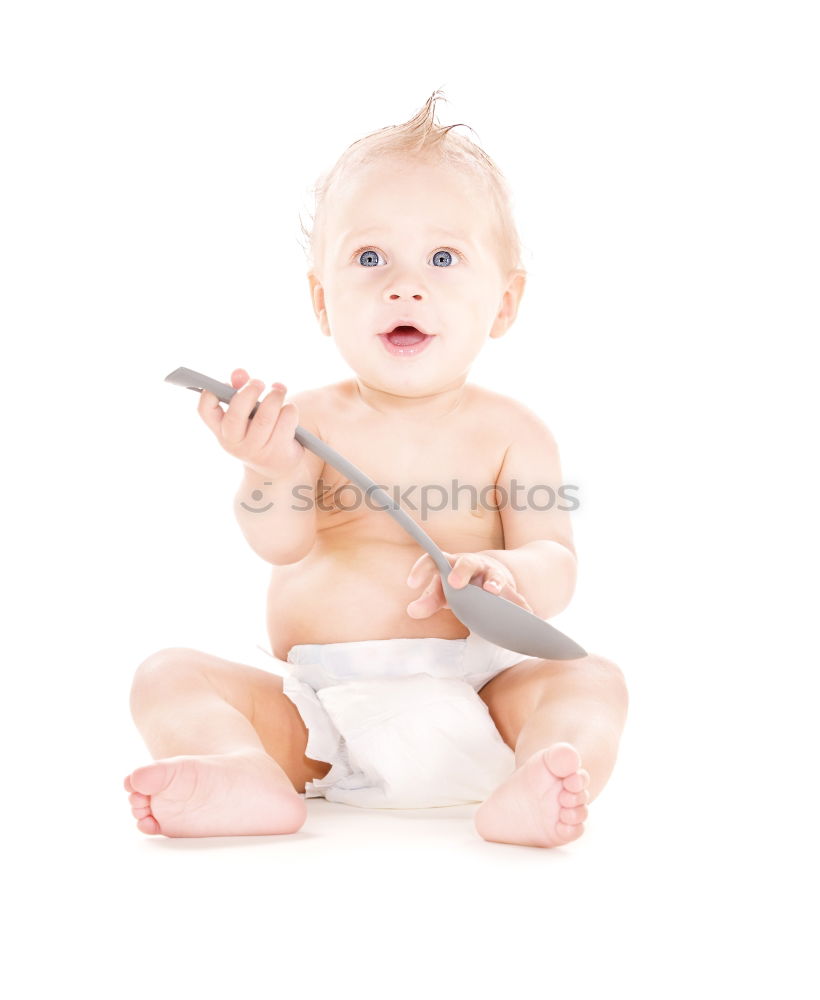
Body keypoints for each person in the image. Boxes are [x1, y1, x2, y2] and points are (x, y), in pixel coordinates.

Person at [123, 90, 628, 847]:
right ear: (323, 302)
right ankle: (246, 768)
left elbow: (555, 558)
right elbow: (280, 544)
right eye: (369, 258)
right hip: (316, 714)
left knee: (593, 683)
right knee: (166, 674)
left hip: (480, 700)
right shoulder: (309, 425)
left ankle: (537, 778)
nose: (404, 284)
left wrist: (508, 571)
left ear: (505, 301)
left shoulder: (513, 433)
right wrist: (266, 470)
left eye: (443, 257)